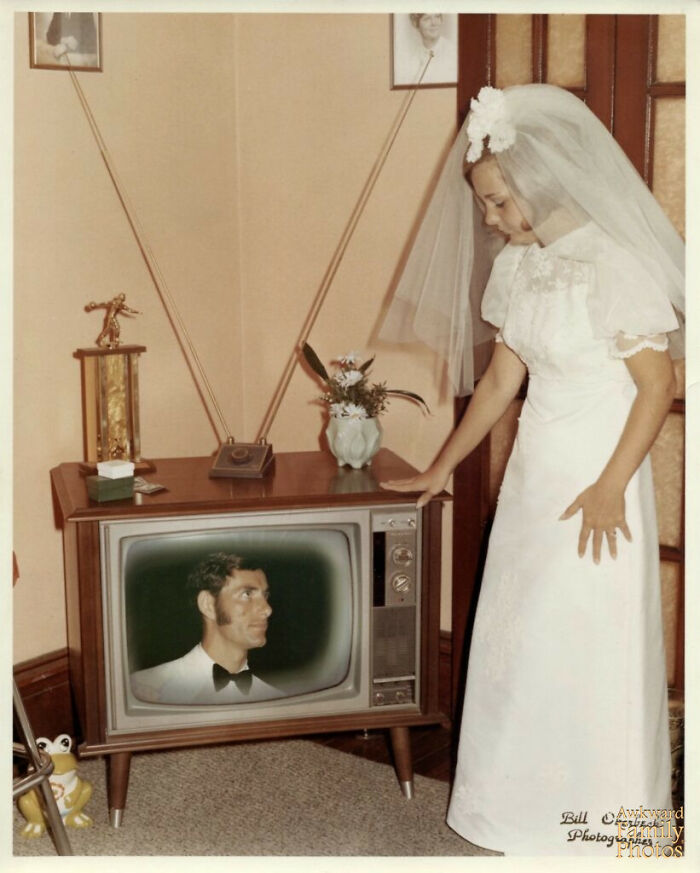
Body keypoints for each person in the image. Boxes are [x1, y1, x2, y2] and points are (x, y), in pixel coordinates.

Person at [380, 84, 684, 856]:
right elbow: (498, 384)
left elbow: (658, 387)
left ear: (539, 184)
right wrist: (439, 468)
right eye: (484, 202)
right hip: (535, 476)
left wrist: (612, 484)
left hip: (600, 475)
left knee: (591, 640)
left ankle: (611, 831)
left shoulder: (617, 263)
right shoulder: (519, 268)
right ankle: (516, 814)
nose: (487, 218)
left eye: (495, 200)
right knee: (526, 639)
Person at [131, 553, 282, 705]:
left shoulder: (275, 699)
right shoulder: (143, 687)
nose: (267, 609)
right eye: (247, 594)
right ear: (208, 605)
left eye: (265, 595)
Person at [395, 14, 456, 86]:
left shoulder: (454, 53)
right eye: (427, 19)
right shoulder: (410, 56)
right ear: (415, 24)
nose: (434, 23)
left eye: (437, 17)